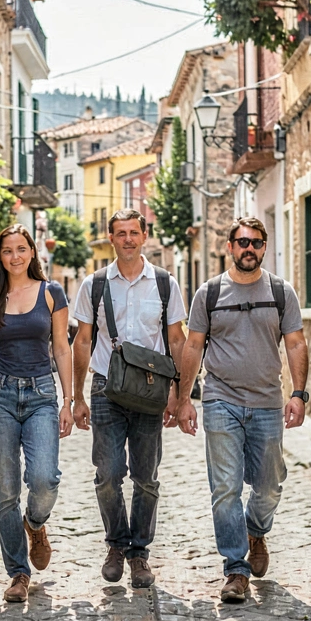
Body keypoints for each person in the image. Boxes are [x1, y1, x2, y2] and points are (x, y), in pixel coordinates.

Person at [172, 218, 309, 603]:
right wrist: (185, 399)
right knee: (225, 488)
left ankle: (256, 530)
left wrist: (298, 393)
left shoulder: (281, 292)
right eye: (242, 242)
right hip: (220, 399)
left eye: (256, 242)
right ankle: (235, 568)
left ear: (264, 247)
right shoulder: (209, 293)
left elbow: (296, 344)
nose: (249, 248)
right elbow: (193, 346)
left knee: (269, 485)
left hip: (267, 402)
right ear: (230, 247)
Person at [70, 209, 186, 589]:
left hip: (151, 389)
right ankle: (116, 544)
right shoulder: (95, 284)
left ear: (145, 235)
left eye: (134, 232)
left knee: (147, 477)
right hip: (106, 387)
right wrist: (77, 397)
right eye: (120, 233)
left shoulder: (166, 284)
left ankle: (139, 554)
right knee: (107, 473)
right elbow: (83, 340)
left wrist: (178, 393)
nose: (128, 240)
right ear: (110, 237)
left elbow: (177, 341)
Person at [0, 224, 74, 603]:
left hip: (41, 393)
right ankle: (18, 572)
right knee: (5, 491)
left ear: (32, 252)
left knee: (45, 478)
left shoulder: (52, 293)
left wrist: (67, 400)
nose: (14, 256)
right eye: (7, 251)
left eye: (21, 249)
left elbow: (62, 348)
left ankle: (35, 524)